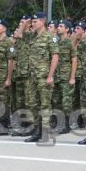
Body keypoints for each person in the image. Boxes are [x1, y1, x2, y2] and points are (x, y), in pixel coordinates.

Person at [24, 12, 59, 143]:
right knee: (33, 104)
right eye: (32, 22)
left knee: (45, 105)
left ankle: (44, 133)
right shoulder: (32, 37)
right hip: (32, 76)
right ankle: (37, 131)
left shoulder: (50, 37)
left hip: (44, 76)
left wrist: (50, 75)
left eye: (35, 21)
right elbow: (19, 35)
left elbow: (55, 56)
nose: (33, 24)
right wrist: (26, 25)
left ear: (43, 22)